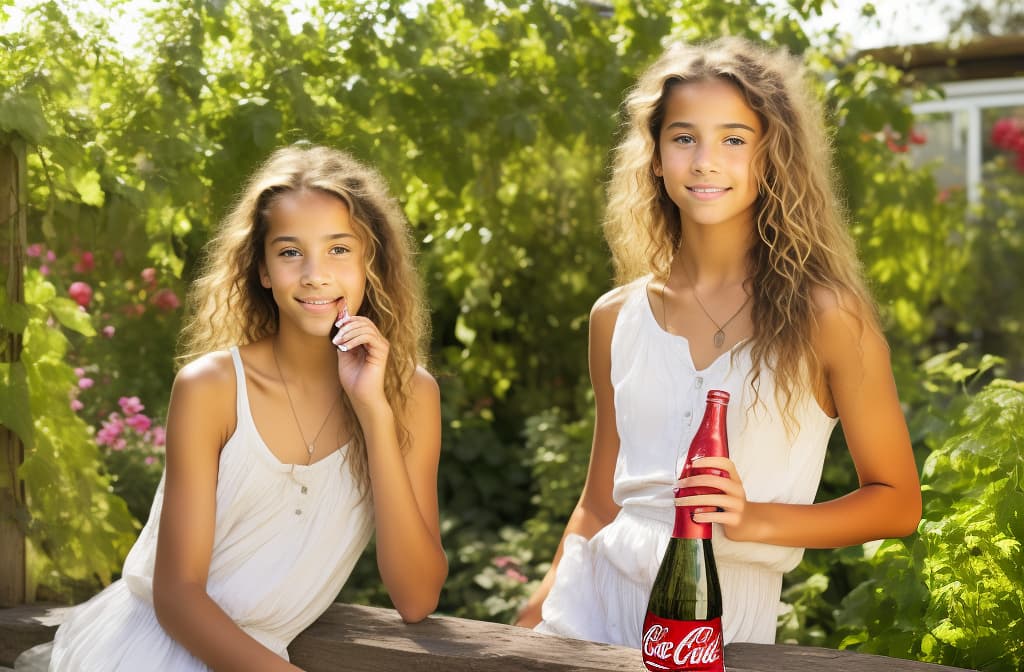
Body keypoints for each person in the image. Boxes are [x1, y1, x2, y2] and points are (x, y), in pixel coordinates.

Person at [515, 37, 922, 647]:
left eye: (734, 139)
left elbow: (896, 503)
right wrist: (531, 621)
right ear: (655, 157)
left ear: (770, 157)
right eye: (684, 138)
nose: (706, 160)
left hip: (722, 626)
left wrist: (753, 519)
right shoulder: (616, 316)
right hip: (588, 612)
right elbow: (600, 504)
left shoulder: (829, 318)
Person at [42, 145, 447, 671]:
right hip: (153, 653)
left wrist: (373, 412)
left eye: (339, 250)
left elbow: (416, 597)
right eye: (289, 252)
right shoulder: (210, 387)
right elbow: (178, 597)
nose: (314, 275)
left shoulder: (411, 396)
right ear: (261, 269)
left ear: (371, 262)